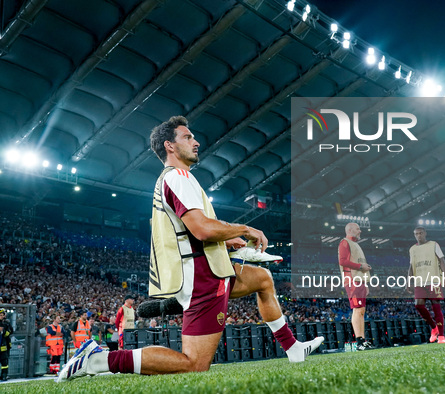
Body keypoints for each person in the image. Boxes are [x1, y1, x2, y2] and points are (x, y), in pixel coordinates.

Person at [58, 115, 323, 382]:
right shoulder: (177, 177)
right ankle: (98, 361)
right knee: (194, 363)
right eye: (187, 137)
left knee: (263, 279)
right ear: (169, 146)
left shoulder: (176, 178)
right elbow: (203, 229)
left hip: (210, 267)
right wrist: (244, 229)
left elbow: (190, 230)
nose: (196, 142)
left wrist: (226, 238)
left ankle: (293, 348)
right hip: (202, 276)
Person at [406, 227, 445, 343]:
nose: (418, 235)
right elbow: (411, 266)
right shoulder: (412, 249)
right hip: (419, 281)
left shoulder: (434, 245)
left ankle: (441, 336)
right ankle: (434, 327)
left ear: (425, 233)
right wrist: (408, 281)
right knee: (418, 305)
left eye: (420, 233)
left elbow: (442, 261)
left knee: (436, 305)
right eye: (416, 234)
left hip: (433, 280)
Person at [338, 222, 374, 350]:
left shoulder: (355, 245)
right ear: (350, 230)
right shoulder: (345, 243)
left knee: (361, 310)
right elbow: (342, 261)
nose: (360, 231)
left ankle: (362, 340)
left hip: (359, 280)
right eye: (358, 229)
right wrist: (361, 267)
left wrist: (365, 280)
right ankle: (359, 342)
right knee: (357, 310)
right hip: (353, 280)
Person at [0, 308, 14, 381]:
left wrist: (5, 332)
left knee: (4, 362)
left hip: (4, 345)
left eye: (2, 315)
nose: (2, 316)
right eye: (0, 315)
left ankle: (4, 375)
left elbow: (11, 331)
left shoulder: (6, 323)